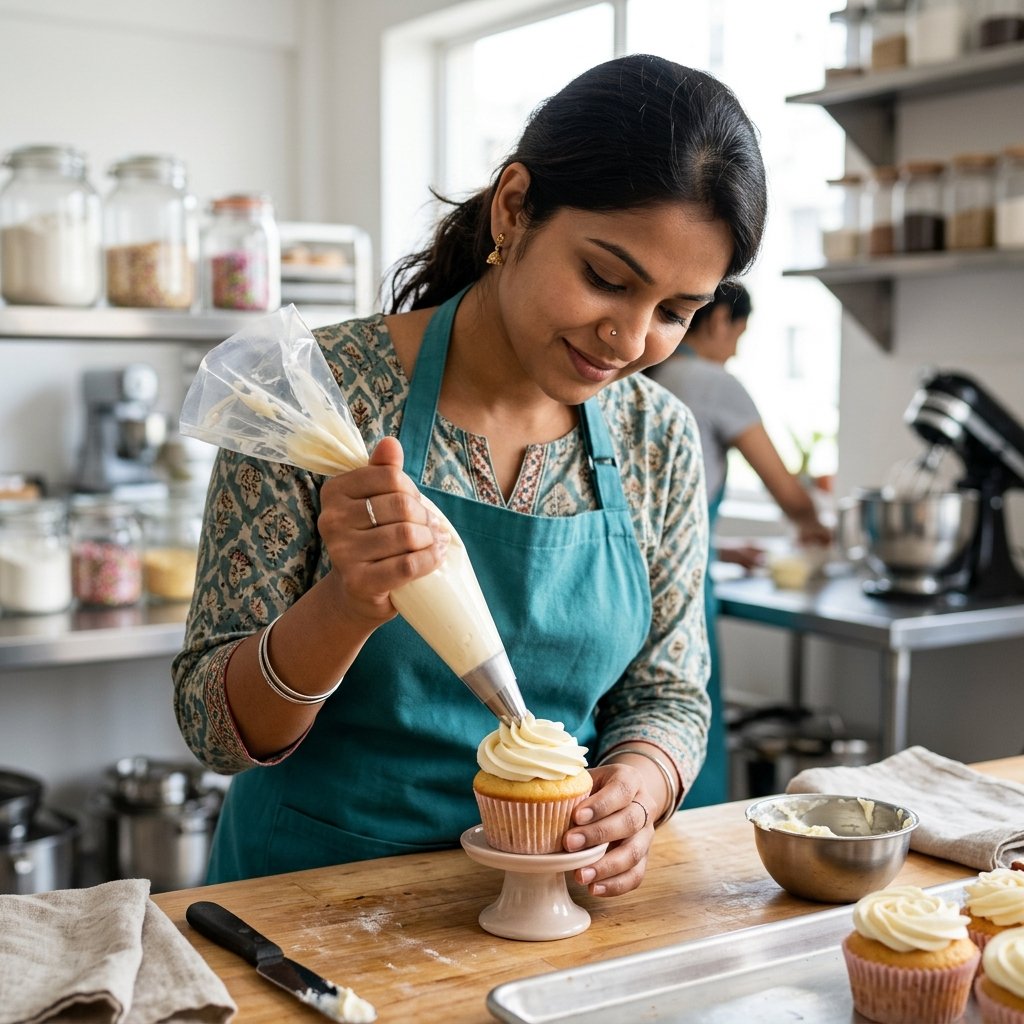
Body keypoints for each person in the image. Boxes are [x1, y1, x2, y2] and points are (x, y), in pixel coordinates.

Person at [172, 53, 768, 896]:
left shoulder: (654, 438)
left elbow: (670, 693)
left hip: (544, 910)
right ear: (515, 208)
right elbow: (211, 726)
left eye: (675, 312)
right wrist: (343, 607)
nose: (630, 340)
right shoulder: (319, 399)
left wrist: (641, 786)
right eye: (606, 278)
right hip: (306, 907)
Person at [649, 283, 831, 806]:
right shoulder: (711, 381)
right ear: (720, 316)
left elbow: (653, 510)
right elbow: (786, 493)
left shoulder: (644, 373)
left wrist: (724, 550)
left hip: (626, 571)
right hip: (680, 585)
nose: (737, 348)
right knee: (680, 718)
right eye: (740, 333)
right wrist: (817, 523)